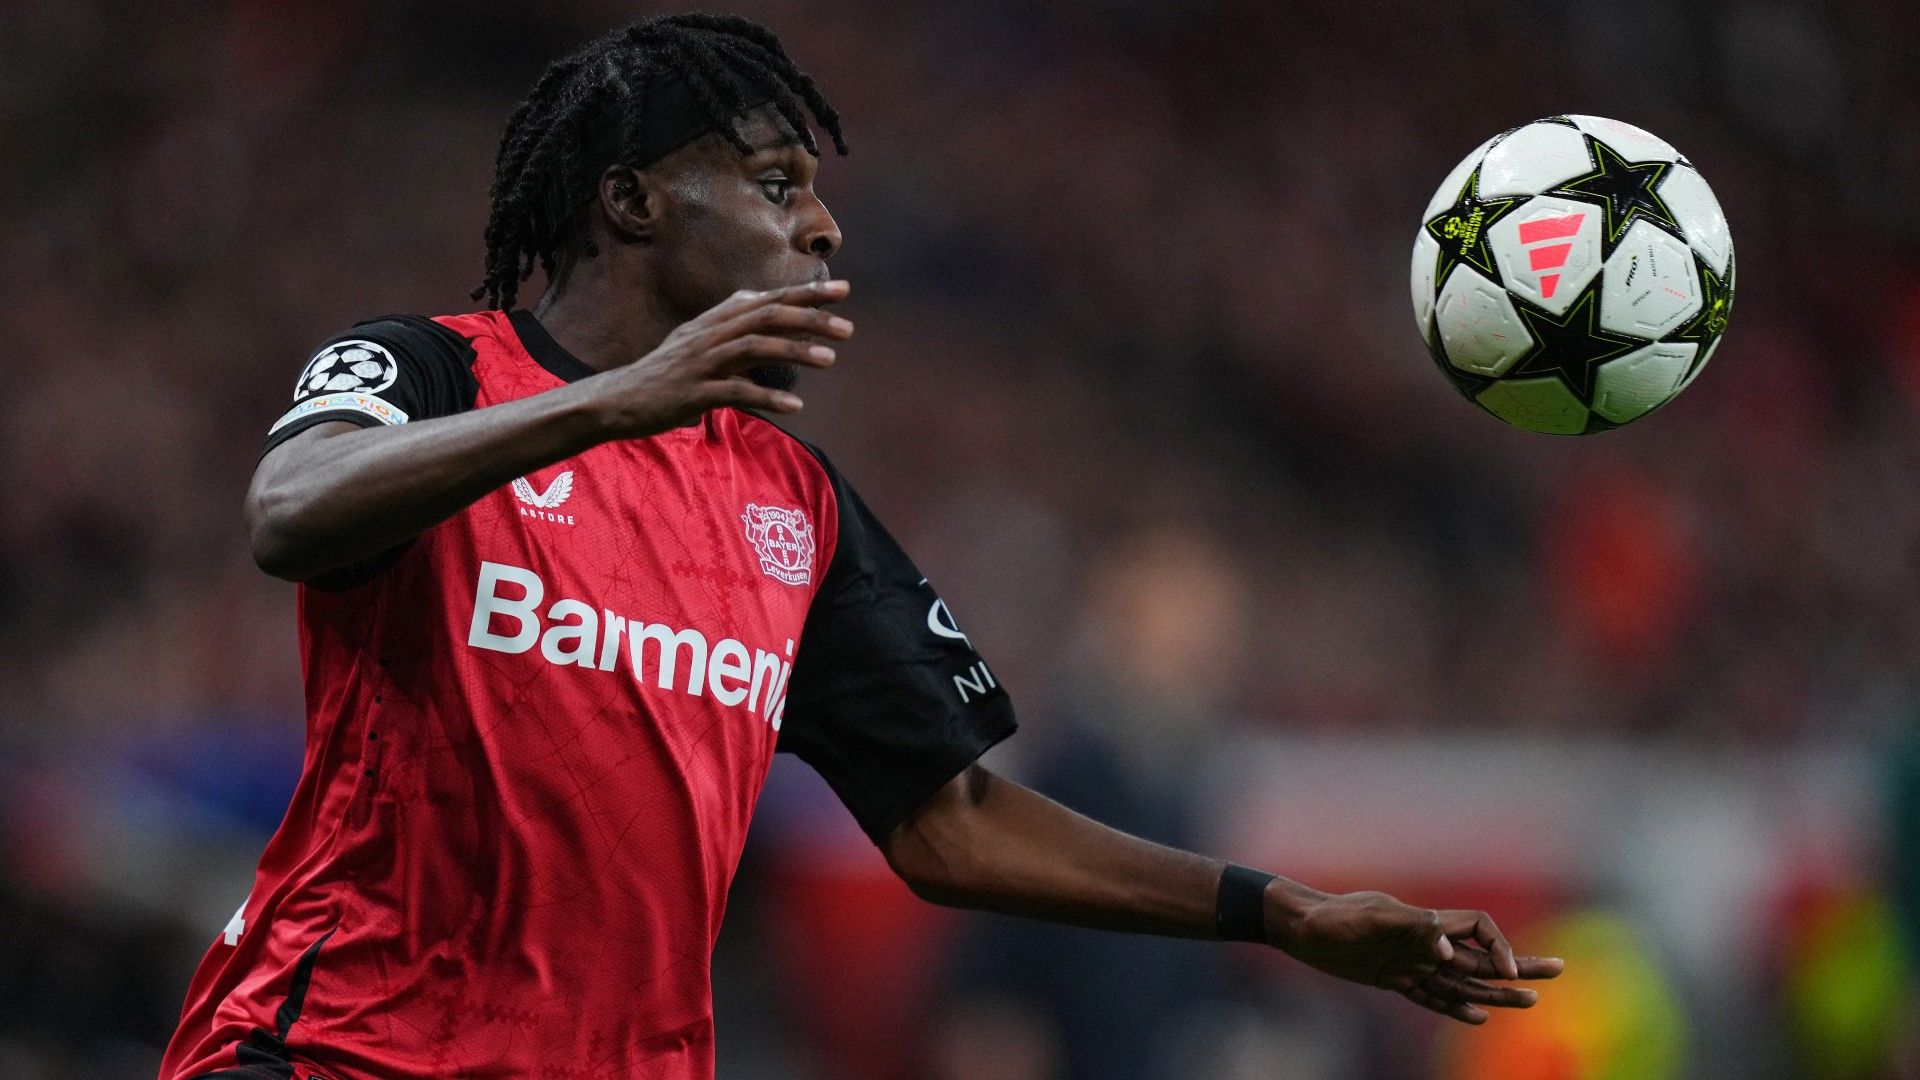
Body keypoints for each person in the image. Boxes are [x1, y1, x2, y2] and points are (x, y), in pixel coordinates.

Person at [159, 14, 1561, 1080]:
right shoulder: (431, 369)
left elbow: (948, 822)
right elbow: (293, 511)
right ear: (632, 202)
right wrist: (613, 407)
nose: (821, 222)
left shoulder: (792, 504)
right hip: (331, 1050)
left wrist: (1289, 916)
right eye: (774, 182)